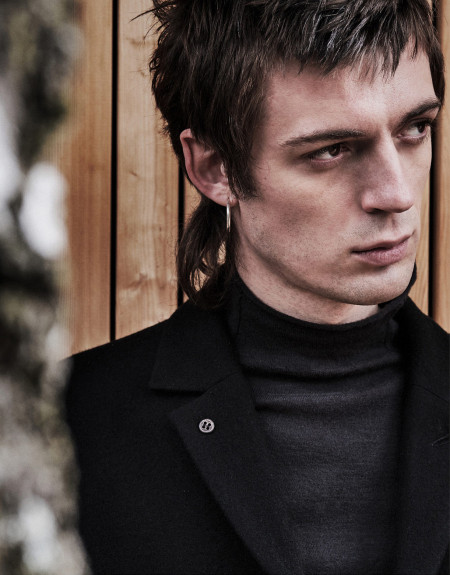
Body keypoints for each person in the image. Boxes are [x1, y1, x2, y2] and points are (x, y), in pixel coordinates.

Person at [66, 1, 449, 573]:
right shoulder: (72, 426)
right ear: (215, 168)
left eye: (415, 128)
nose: (396, 194)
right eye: (331, 150)